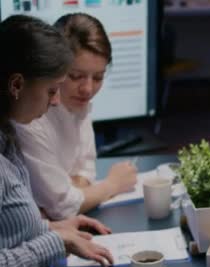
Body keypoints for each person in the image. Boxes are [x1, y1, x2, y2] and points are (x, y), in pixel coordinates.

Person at [0, 15, 114, 267]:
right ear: (17, 85)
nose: (55, 101)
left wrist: (53, 227)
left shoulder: (5, 141)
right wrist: (54, 241)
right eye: (52, 89)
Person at [13, 13, 137, 220]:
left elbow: (86, 169)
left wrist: (72, 192)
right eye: (75, 76)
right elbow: (62, 208)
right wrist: (112, 184)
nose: (88, 89)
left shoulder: (78, 101)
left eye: (98, 77)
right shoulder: (29, 116)